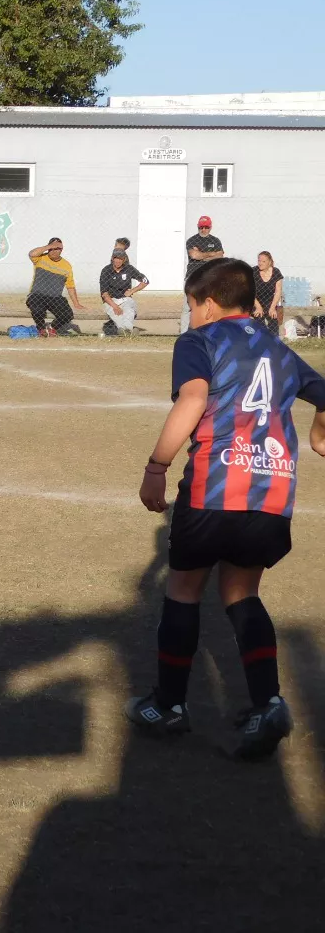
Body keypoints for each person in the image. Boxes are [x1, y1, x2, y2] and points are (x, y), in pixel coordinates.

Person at [127, 258, 325, 759]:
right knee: (242, 592)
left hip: (215, 489)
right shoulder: (277, 347)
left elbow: (193, 400)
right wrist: (320, 430)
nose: (190, 314)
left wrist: (156, 466)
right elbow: (323, 390)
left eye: (191, 305)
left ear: (209, 304)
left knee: (185, 587)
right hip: (272, 492)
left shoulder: (199, 341)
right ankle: (269, 703)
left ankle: (169, 705)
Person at [26, 238, 85, 336]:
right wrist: (49, 246)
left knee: (67, 314)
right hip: (37, 295)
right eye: (51, 248)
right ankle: (41, 330)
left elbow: (70, 286)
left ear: (61, 250)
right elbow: (31, 253)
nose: (53, 251)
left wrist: (76, 303)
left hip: (55, 297)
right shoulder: (40, 258)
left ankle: (51, 328)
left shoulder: (66, 266)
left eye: (57, 248)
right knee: (37, 310)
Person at [181, 216, 224, 333]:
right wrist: (211, 255)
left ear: (210, 227)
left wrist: (202, 255)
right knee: (188, 306)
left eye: (206, 227)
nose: (203, 229)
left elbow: (220, 255)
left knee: (209, 305)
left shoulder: (216, 241)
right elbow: (194, 256)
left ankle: (206, 331)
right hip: (193, 277)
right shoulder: (192, 240)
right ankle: (184, 333)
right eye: (201, 227)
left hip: (209, 277)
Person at [98, 249, 149, 336]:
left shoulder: (128, 268)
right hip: (111, 301)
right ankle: (128, 330)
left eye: (121, 258)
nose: (118, 261)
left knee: (129, 311)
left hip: (125, 299)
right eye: (116, 258)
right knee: (117, 315)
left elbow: (145, 281)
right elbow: (104, 294)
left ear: (124, 259)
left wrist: (132, 291)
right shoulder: (106, 270)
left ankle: (125, 330)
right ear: (112, 258)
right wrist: (114, 306)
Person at [252, 251, 284, 336]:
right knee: (259, 318)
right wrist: (258, 307)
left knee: (273, 319)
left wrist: (273, 308)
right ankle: (260, 342)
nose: (260, 263)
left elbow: (278, 291)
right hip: (254, 301)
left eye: (263, 261)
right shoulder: (253, 271)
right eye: (259, 261)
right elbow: (249, 291)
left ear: (269, 262)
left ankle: (275, 343)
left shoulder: (276, 272)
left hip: (270, 302)